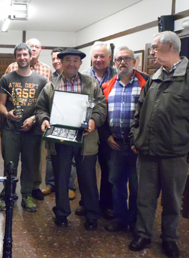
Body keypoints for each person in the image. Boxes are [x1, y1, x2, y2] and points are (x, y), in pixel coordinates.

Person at [129, 31, 189, 258]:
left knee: (172, 200)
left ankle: (170, 238)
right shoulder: (155, 76)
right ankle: (143, 233)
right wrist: (136, 136)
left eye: (154, 48)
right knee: (145, 197)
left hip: (176, 151)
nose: (151, 53)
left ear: (170, 46)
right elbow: (139, 110)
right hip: (147, 150)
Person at [35, 48, 106, 229]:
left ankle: (91, 214)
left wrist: (93, 120)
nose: (72, 63)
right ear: (62, 62)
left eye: (76, 60)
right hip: (60, 139)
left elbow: (101, 106)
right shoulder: (51, 86)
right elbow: (41, 108)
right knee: (61, 177)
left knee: (88, 178)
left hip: (86, 140)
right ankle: (61, 213)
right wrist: (43, 119)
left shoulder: (91, 84)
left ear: (80, 64)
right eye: (68, 60)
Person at [99, 46, 149, 235]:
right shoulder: (108, 86)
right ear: (114, 63)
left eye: (127, 58)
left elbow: (150, 117)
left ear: (135, 62)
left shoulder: (147, 83)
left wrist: (140, 141)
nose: (123, 62)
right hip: (116, 144)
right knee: (116, 184)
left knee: (137, 187)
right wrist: (106, 136)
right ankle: (120, 219)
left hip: (138, 147)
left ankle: (135, 222)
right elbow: (101, 114)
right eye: (119, 59)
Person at [0, 43, 47, 212]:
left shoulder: (41, 81)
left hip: (32, 131)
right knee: (9, 164)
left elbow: (45, 107)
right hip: (11, 130)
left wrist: (33, 119)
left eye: (25, 54)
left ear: (31, 56)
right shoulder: (7, 79)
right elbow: (1, 105)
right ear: (15, 57)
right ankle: (7, 194)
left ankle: (27, 195)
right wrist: (7, 114)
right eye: (19, 55)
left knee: (30, 164)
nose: (22, 57)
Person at [79, 41, 117, 219]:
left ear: (110, 57)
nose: (99, 59)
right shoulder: (82, 75)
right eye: (96, 56)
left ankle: (106, 204)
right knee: (87, 169)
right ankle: (86, 202)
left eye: (102, 56)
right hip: (88, 130)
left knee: (108, 169)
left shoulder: (118, 75)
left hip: (110, 132)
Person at [42, 47, 77, 201]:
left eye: (74, 60)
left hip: (76, 129)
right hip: (54, 128)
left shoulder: (85, 81)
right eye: (54, 59)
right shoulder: (51, 80)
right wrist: (44, 118)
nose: (57, 61)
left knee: (73, 160)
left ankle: (69, 186)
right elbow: (43, 105)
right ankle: (52, 184)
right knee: (52, 157)